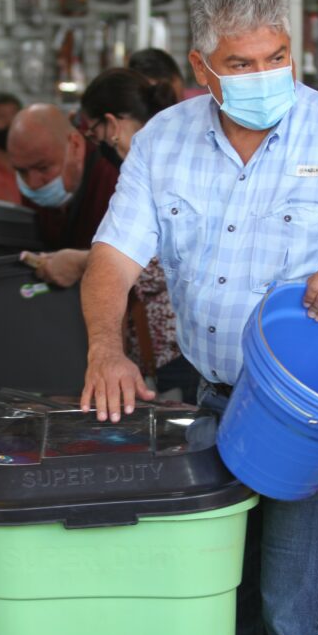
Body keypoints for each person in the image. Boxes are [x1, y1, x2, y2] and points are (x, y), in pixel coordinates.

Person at [80, 0, 318, 635]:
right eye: (240, 64)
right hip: (205, 398)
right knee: (214, 600)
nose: (263, 75)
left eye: (276, 58)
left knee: (296, 608)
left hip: (305, 417)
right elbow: (112, 257)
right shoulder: (164, 139)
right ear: (202, 67)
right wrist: (106, 348)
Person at [82, 67, 199, 403]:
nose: (97, 145)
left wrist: (80, 264)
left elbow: (147, 264)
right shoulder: (165, 158)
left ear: (111, 124)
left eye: (94, 134)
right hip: (167, 354)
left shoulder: (158, 165)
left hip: (182, 356)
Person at [6, 103, 120, 286]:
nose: (33, 183)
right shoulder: (34, 177)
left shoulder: (114, 181)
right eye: (21, 172)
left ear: (74, 146)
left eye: (43, 168)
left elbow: (144, 266)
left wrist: (81, 264)